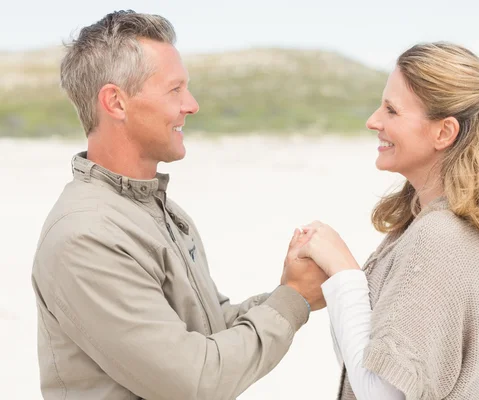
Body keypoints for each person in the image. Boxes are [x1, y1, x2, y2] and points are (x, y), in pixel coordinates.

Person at [30, 10, 327, 400]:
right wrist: (293, 301)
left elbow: (210, 327)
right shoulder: (85, 235)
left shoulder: (158, 210)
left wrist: (289, 289)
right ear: (116, 102)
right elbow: (195, 380)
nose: (192, 104)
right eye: (175, 90)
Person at [294, 42, 479, 399]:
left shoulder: (441, 237)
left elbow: (382, 394)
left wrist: (345, 274)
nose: (373, 121)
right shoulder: (448, 220)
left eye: (391, 110)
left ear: (444, 133)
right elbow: (367, 361)